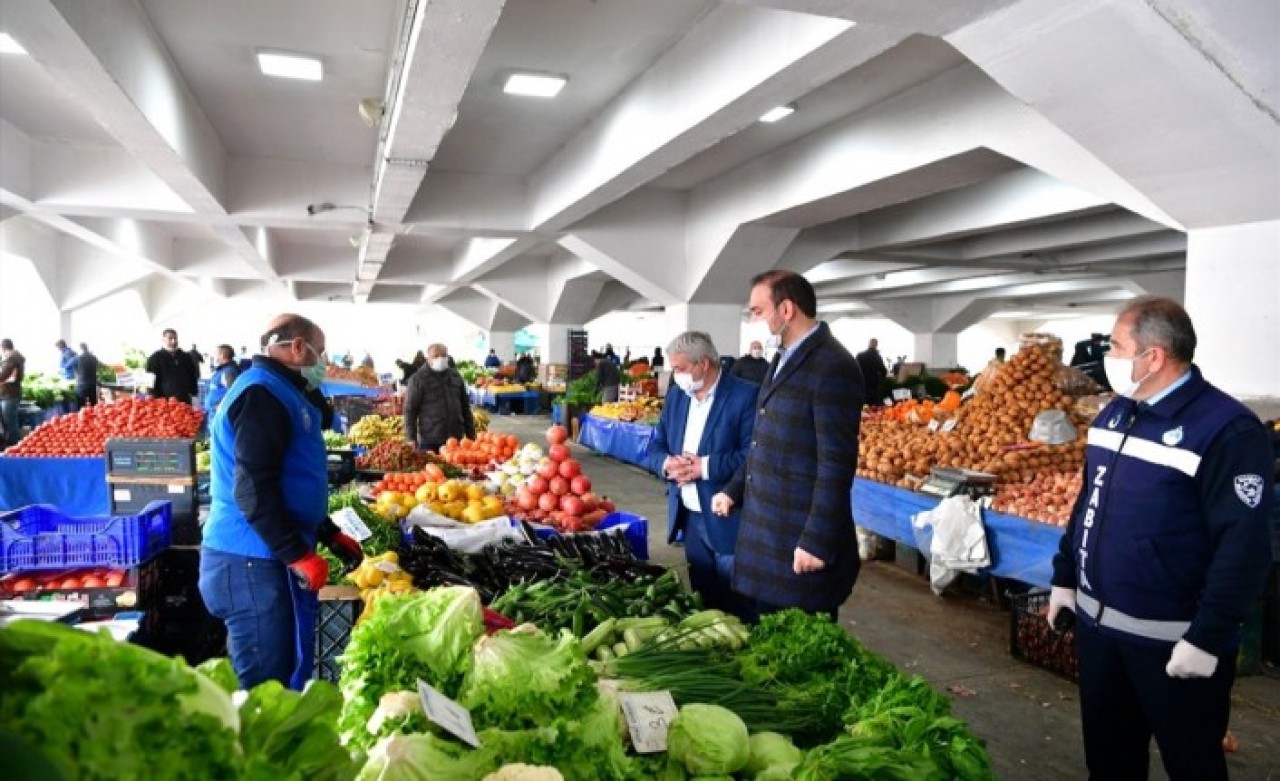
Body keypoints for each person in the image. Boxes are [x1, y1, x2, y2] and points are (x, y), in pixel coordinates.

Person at [1047, 296, 1274, 780]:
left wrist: (1208, 637)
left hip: (1173, 647)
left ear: (1152, 357)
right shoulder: (1116, 414)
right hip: (1100, 633)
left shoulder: (1225, 430)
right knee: (1110, 762)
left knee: (1192, 765)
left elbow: (1245, 546)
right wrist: (1066, 576)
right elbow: (1089, 502)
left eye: (1115, 345)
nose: (1106, 355)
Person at [198, 314, 363, 690]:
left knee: (287, 673)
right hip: (250, 561)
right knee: (266, 690)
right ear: (298, 348)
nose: (323, 363)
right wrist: (296, 553)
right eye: (320, 353)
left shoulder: (280, 390)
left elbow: (288, 477)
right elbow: (253, 488)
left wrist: (326, 532)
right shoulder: (261, 394)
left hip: (265, 556)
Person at [710, 270, 864, 621]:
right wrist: (734, 489)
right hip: (766, 532)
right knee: (765, 639)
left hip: (797, 540)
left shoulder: (833, 366)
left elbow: (836, 464)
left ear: (787, 309)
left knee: (799, 650)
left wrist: (816, 541)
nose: (754, 320)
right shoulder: (782, 358)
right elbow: (764, 437)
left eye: (758, 311)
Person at [644, 332, 756, 616]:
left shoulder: (745, 396)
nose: (676, 376)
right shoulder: (677, 397)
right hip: (690, 516)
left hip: (728, 517)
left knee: (735, 604)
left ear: (703, 364)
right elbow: (656, 445)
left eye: (680, 369)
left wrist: (703, 467)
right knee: (703, 601)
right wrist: (667, 464)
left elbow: (752, 455)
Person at [404, 343, 475, 453]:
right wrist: (410, 438)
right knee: (432, 469)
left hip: (455, 439)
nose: (440, 359)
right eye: (436, 356)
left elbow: (465, 408)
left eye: (443, 355)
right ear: (428, 358)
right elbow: (410, 410)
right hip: (430, 440)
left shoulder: (455, 377)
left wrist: (471, 435)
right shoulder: (418, 379)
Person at [145, 329, 199, 405]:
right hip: (164, 403)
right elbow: (150, 381)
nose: (173, 341)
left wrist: (194, 395)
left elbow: (192, 377)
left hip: (185, 401)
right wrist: (151, 396)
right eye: (170, 338)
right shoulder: (155, 358)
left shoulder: (186, 357)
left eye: (175, 338)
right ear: (163, 340)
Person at [0, 339, 25, 448]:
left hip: (9, 394)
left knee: (10, 422)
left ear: (4, 348)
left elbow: (3, 376)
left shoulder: (12, 360)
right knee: (9, 421)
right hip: (9, 394)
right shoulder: (14, 359)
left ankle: (14, 446)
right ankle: (12, 445)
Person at [204, 345, 240, 417]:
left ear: (222, 355)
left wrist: (219, 407)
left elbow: (234, 394)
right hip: (213, 414)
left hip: (218, 415)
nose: (214, 356)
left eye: (216, 354)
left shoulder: (228, 372)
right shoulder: (222, 370)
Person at [72, 343, 99, 408]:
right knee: (93, 405)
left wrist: (76, 370)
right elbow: (97, 367)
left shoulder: (77, 358)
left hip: (82, 384)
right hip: (92, 384)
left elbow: (66, 366)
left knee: (81, 406)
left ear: (80, 349)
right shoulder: (94, 358)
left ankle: (82, 416)